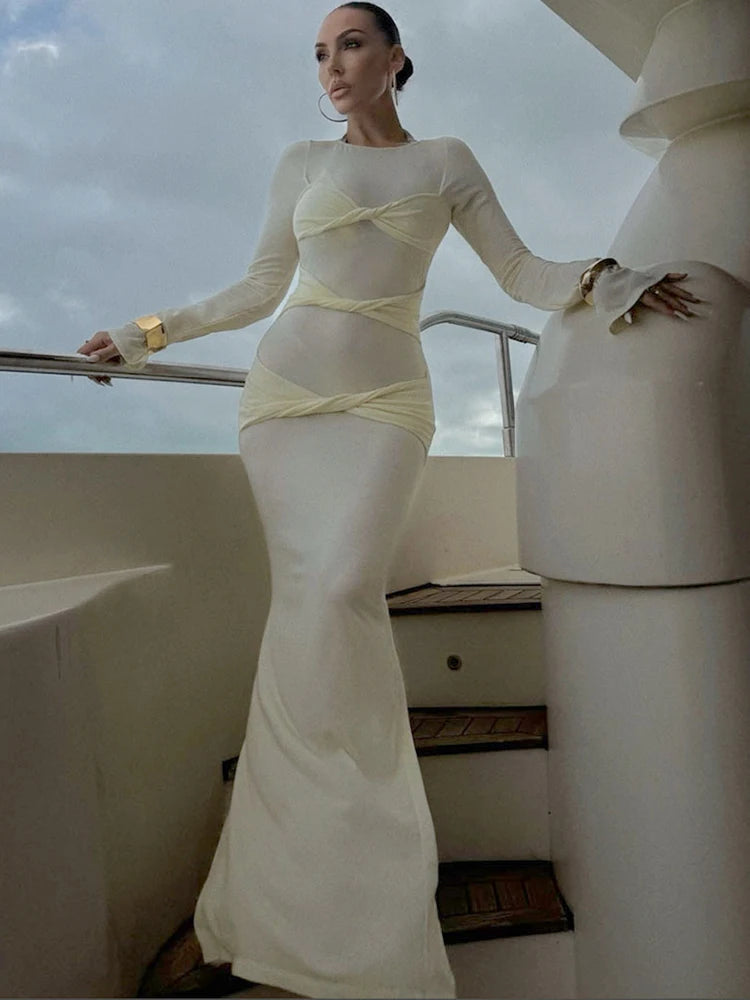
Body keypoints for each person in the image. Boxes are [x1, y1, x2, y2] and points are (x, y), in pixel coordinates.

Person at [75, 4, 700, 997]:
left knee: (339, 597)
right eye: (320, 53)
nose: (331, 66)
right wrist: (144, 330)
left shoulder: (445, 159)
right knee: (306, 608)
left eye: (351, 45)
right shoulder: (300, 166)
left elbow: (518, 269)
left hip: (385, 405)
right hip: (283, 403)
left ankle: (358, 879)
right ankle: (297, 886)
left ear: (396, 59)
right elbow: (255, 288)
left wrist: (605, 277)